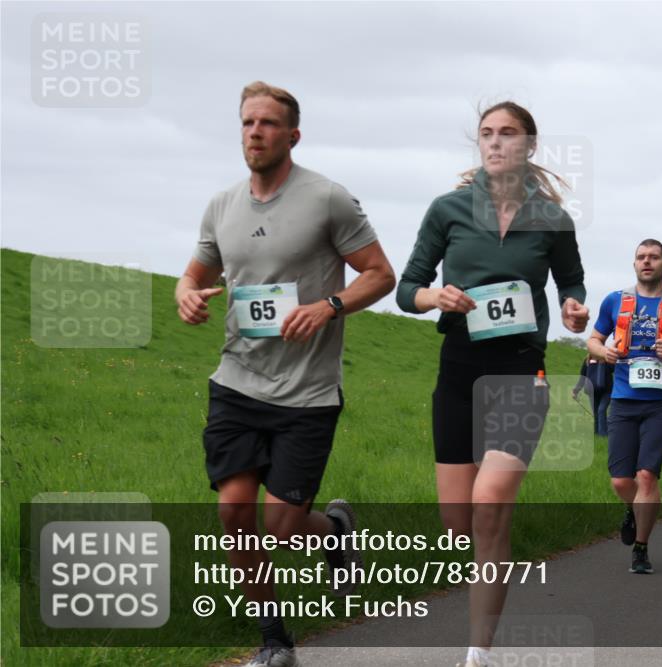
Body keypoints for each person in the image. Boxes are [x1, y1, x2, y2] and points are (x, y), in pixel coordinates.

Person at [175, 82, 396, 667]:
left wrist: (329, 306)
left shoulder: (328, 199)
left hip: (308, 393)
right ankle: (274, 642)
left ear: (293, 135)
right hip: (237, 380)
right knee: (233, 513)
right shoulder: (221, 206)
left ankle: (335, 531)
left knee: (281, 526)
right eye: (248, 122)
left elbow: (380, 274)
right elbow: (194, 275)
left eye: (268, 123)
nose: (256, 132)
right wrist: (186, 295)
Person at [395, 101, 589, 667]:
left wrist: (574, 309)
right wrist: (436, 296)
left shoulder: (553, 219)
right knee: (459, 524)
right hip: (458, 369)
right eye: (487, 133)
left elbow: (571, 282)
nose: (496, 142)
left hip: (520, 370)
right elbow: (407, 288)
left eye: (508, 133)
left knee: (489, 504)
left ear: (529, 144)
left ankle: (479, 652)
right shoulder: (447, 209)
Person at [586, 239, 662, 573]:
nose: (647, 262)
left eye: (654, 257)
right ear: (634, 263)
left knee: (646, 476)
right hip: (623, 400)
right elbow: (594, 340)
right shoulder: (615, 300)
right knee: (620, 481)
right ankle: (634, 509)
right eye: (641, 257)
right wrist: (604, 352)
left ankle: (640, 549)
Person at [572, 354, 613, 436]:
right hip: (593, 391)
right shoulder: (587, 361)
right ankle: (596, 433)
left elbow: (614, 369)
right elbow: (582, 377)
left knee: (601, 410)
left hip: (606, 391)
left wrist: (605, 361)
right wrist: (575, 391)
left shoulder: (607, 359)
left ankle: (603, 434)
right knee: (595, 412)